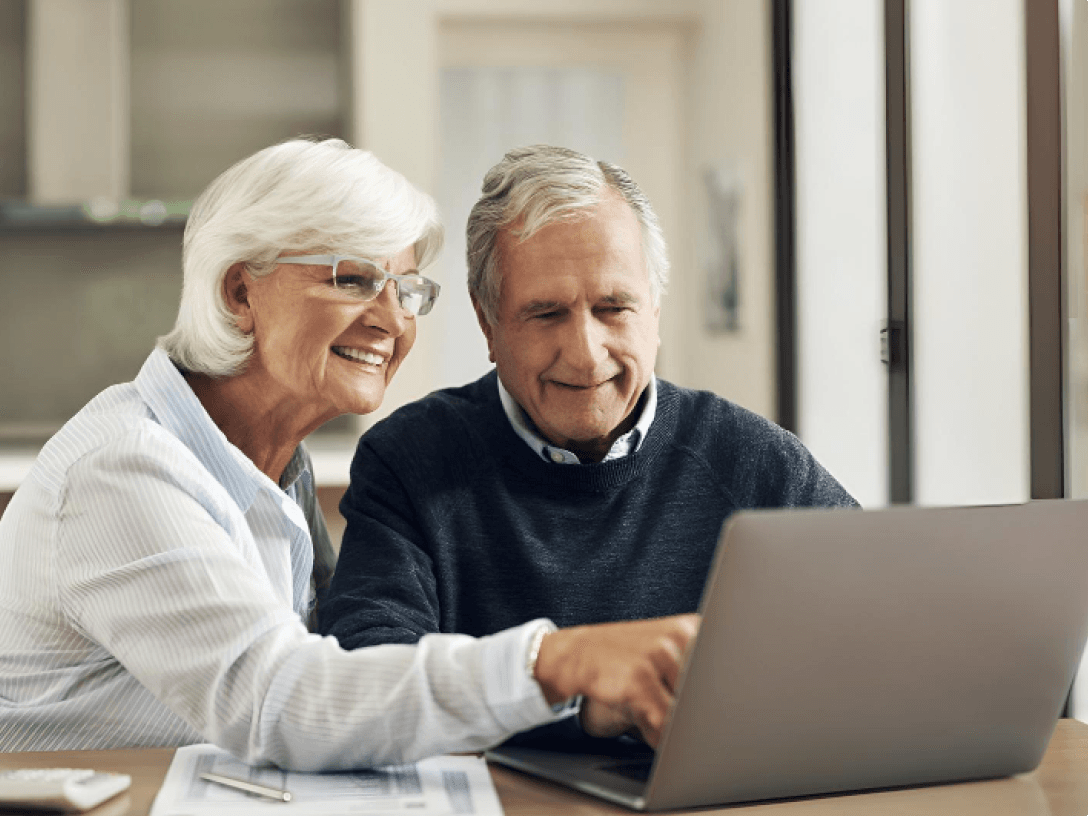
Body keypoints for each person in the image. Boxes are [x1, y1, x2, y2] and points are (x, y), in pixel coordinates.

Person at [0, 137, 696, 772]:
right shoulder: (124, 467)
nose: (391, 318)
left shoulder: (273, 469)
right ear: (239, 294)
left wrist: (585, 700)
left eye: (406, 287)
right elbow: (280, 703)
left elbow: (346, 682)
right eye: (354, 279)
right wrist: (556, 661)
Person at [318, 145, 858, 750]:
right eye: (546, 314)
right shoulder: (410, 459)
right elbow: (364, 676)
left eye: (613, 308)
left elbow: (879, 621)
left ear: (654, 308)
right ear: (487, 322)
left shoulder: (754, 460)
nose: (585, 352)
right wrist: (576, 704)